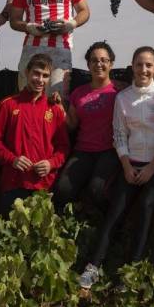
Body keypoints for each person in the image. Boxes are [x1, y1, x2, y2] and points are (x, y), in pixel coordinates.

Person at [77, 46, 154, 288]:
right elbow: (119, 135)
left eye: (149, 65)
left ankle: (132, 272)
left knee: (147, 205)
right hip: (130, 164)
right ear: (132, 66)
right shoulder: (123, 98)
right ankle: (93, 267)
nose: (144, 70)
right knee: (115, 211)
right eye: (139, 64)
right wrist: (127, 166)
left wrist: (152, 167)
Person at [0, 53, 69, 213]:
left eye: (45, 76)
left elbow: (64, 147)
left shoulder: (54, 109)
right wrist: (12, 159)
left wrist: (50, 164)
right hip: (13, 183)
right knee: (10, 235)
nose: (40, 80)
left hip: (44, 184)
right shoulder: (7, 105)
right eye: (36, 73)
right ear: (27, 72)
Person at [52, 42, 120, 216]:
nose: (99, 64)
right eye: (94, 60)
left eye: (104, 60)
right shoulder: (79, 93)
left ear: (111, 64)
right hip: (83, 150)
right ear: (88, 65)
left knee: (97, 190)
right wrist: (60, 107)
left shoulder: (119, 91)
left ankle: (111, 228)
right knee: (62, 191)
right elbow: (72, 124)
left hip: (110, 150)